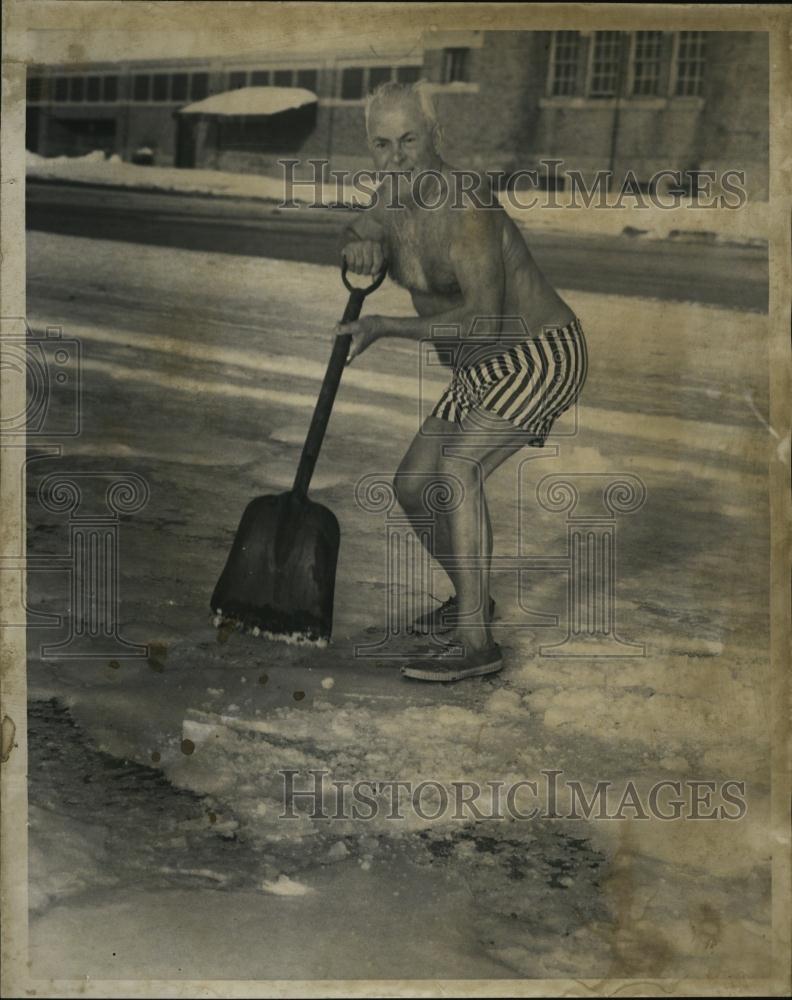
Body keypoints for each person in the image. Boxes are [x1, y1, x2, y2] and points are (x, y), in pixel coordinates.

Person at [338, 81, 588, 682]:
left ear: (436, 137)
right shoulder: (391, 193)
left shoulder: (466, 207)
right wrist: (358, 245)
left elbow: (483, 319)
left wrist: (384, 326)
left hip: (539, 353)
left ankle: (477, 643)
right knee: (413, 485)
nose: (396, 157)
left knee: (459, 469)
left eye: (408, 140)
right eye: (381, 144)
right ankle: (472, 597)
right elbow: (357, 231)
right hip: (481, 369)